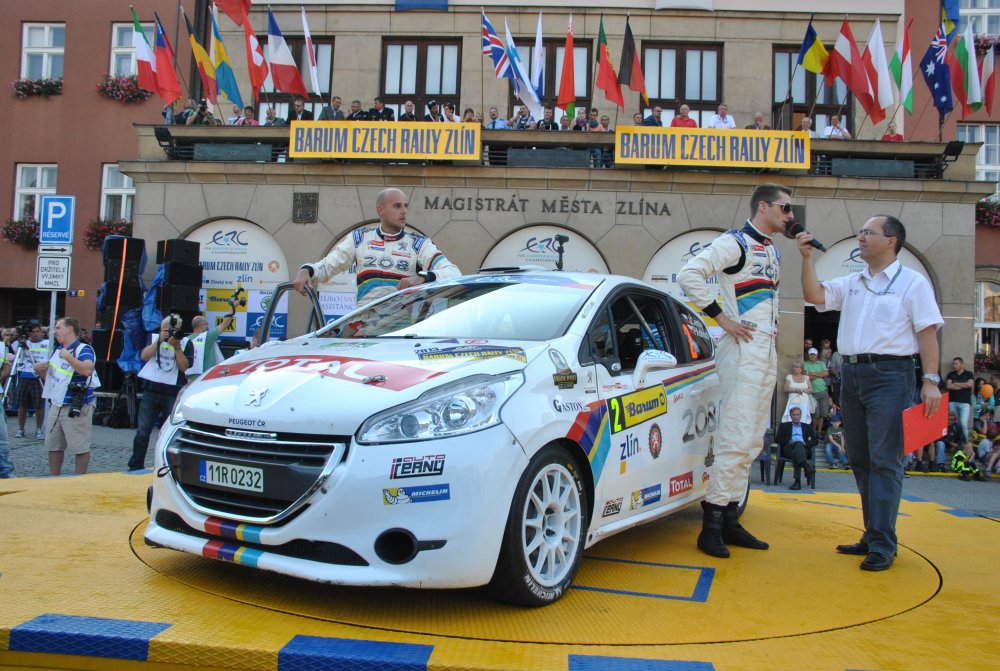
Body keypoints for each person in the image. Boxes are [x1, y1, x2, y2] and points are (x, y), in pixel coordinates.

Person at [799, 214, 943, 572]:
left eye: (868, 232)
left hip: (891, 374)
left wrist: (931, 380)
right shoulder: (854, 280)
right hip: (852, 374)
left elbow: (927, 333)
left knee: (885, 460)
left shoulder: (912, 282)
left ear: (891, 240)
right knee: (861, 459)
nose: (860, 237)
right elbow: (814, 295)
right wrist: (806, 257)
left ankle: (882, 543)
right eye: (860, 232)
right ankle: (873, 533)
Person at [677, 183, 794, 558]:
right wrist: (722, 320)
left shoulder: (772, 249)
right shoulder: (736, 242)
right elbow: (689, 274)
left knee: (753, 439)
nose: (791, 216)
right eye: (786, 208)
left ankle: (730, 518)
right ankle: (710, 527)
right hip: (742, 349)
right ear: (764, 207)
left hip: (766, 350)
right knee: (734, 435)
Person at [293, 188, 461, 308]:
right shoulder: (360, 238)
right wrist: (306, 270)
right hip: (363, 327)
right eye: (397, 206)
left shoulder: (419, 244)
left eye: (405, 206)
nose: (404, 211)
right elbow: (327, 267)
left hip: (400, 329)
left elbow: (454, 273)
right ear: (381, 210)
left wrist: (422, 278)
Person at [128, 315, 192, 471]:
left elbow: (184, 367)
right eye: (167, 330)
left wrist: (177, 347)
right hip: (151, 390)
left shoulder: (185, 342)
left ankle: (167, 466)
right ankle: (136, 465)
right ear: (161, 329)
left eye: (174, 330)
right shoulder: (154, 339)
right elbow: (144, 356)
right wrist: (158, 341)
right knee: (143, 431)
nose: (171, 333)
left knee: (170, 432)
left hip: (172, 392)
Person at [35, 318, 96, 476]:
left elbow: (87, 370)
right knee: (54, 445)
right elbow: (53, 379)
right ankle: (54, 480)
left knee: (79, 447)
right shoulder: (58, 350)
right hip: (56, 404)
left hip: (76, 406)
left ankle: (79, 481)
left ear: (70, 329)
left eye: (58, 327)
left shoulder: (84, 349)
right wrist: (39, 371)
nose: (54, 331)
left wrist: (68, 357)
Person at [12, 322, 48, 439]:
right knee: (22, 403)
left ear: (41, 332)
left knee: (39, 404)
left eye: (37, 331)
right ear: (29, 333)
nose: (35, 334)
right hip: (25, 375)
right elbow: (16, 356)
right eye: (33, 332)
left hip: (38, 376)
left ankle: (39, 429)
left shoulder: (47, 343)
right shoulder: (24, 343)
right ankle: (21, 428)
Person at [181, 306, 236, 382]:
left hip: (190, 379)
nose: (207, 327)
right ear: (201, 327)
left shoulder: (185, 340)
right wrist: (233, 306)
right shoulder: (207, 337)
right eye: (206, 324)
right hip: (206, 378)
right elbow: (225, 323)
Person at [775, 407, 817, 490]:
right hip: (788, 449)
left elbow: (815, 441)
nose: (796, 416)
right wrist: (789, 441)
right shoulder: (784, 426)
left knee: (797, 451)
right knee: (798, 445)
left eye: (798, 414)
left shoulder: (807, 427)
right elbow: (777, 439)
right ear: (790, 416)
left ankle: (797, 482)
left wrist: (806, 443)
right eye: (794, 415)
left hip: (804, 449)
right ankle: (806, 467)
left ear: (801, 415)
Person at [803, 347, 830, 436]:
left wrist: (813, 374)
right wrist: (819, 374)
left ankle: (819, 432)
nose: (812, 356)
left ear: (817, 355)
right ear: (808, 355)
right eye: (811, 355)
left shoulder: (821, 363)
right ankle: (814, 431)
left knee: (823, 414)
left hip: (823, 390)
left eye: (814, 355)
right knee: (815, 415)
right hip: (813, 392)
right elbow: (807, 377)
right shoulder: (805, 364)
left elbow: (826, 373)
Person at [946, 356, 974, 440]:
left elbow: (970, 384)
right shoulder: (951, 374)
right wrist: (964, 385)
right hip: (953, 401)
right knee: (952, 423)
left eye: (956, 364)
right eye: (953, 364)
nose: (954, 365)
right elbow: (948, 386)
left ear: (961, 364)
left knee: (963, 423)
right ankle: (954, 441)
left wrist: (955, 383)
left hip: (965, 402)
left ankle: (965, 442)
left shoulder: (969, 374)